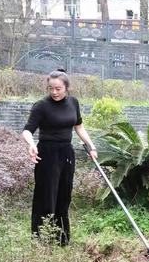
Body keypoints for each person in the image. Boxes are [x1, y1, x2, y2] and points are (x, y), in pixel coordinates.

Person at [22, 70, 97, 245]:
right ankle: (40, 239)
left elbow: (79, 127)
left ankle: (62, 239)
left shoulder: (73, 103)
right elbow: (27, 130)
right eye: (51, 88)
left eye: (58, 88)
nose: (54, 92)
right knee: (46, 196)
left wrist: (91, 146)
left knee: (64, 195)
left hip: (66, 153)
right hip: (47, 154)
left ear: (66, 88)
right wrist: (32, 144)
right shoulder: (41, 106)